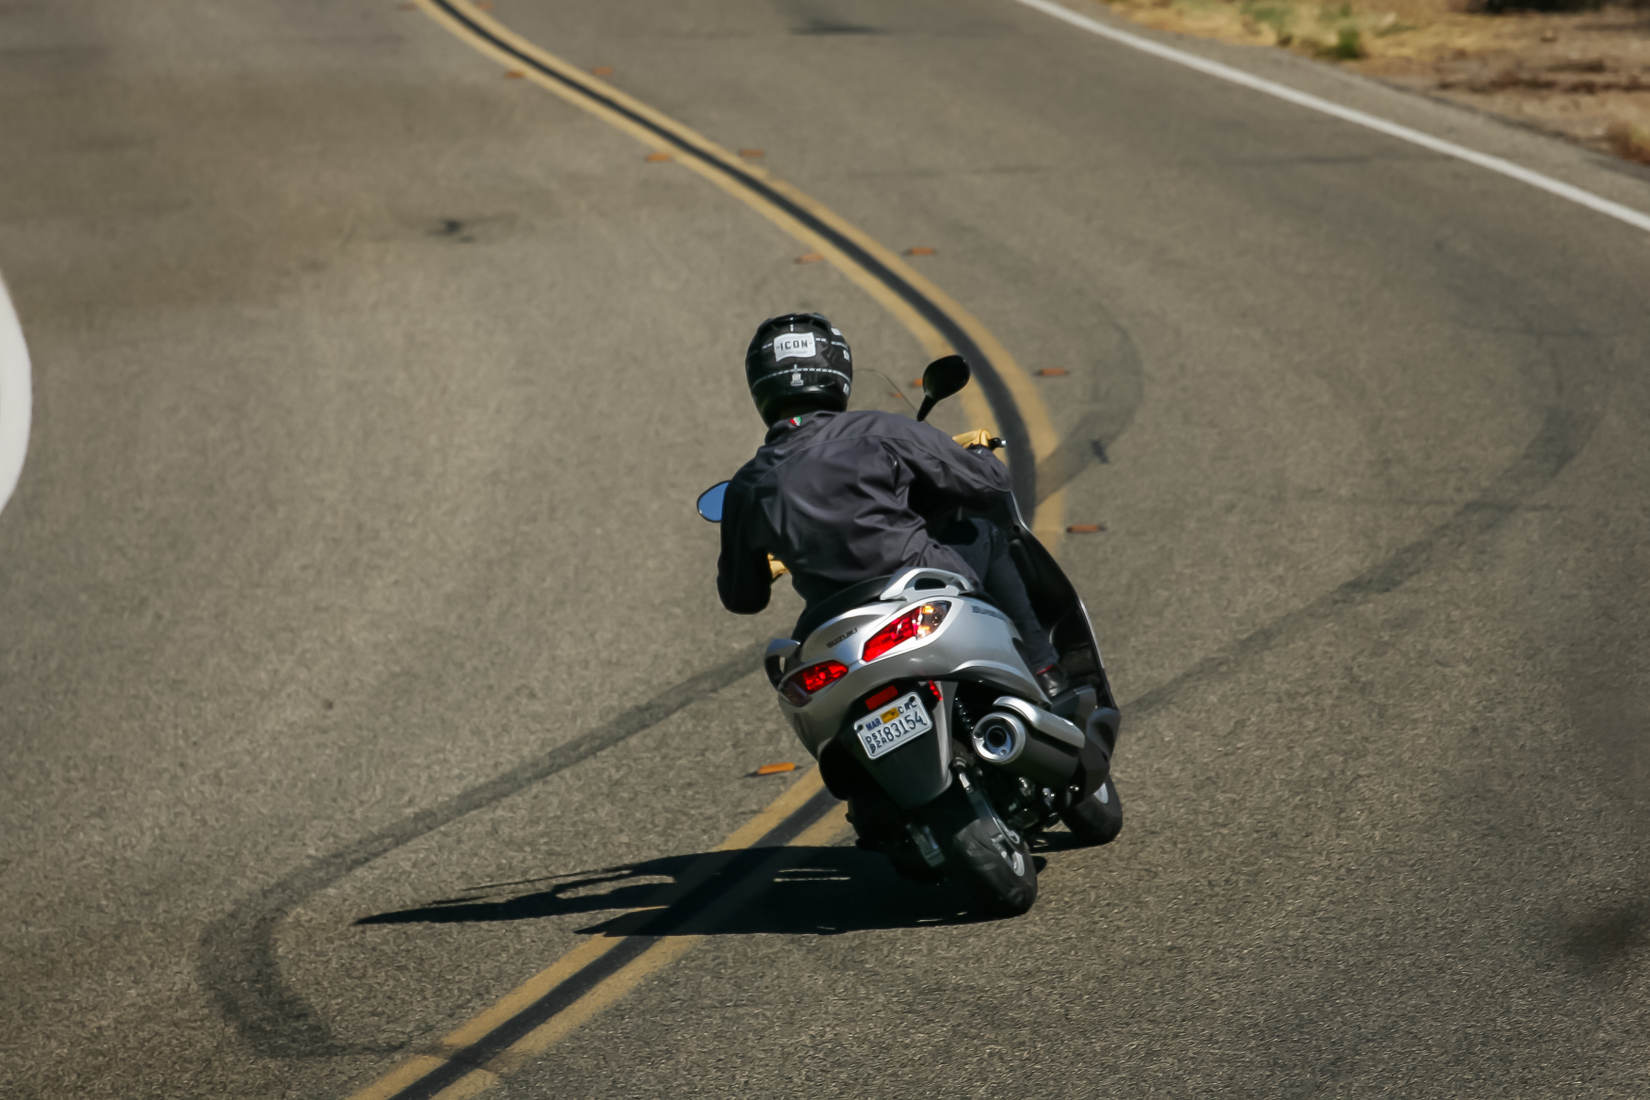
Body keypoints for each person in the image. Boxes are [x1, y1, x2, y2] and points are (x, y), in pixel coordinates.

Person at [715, 312, 1066, 697]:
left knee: (803, 684)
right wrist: (980, 452)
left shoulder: (747, 486)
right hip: (923, 592)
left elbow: (743, 598)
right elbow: (990, 484)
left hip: (833, 630)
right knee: (985, 535)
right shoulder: (880, 430)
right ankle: (1042, 668)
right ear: (837, 369)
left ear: (760, 384)